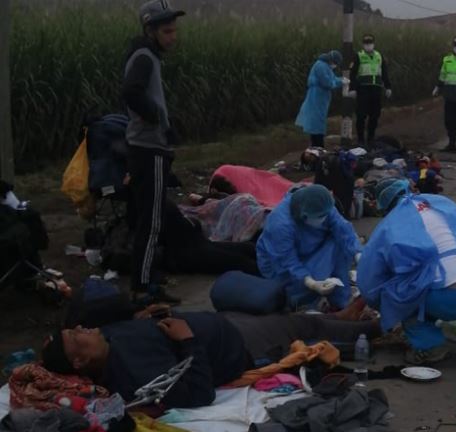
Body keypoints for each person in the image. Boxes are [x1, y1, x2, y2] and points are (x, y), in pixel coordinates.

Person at [41, 310, 381, 409]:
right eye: (76, 336)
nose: (84, 328)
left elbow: (142, 333)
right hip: (238, 347)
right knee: (306, 330)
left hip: (223, 326)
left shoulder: (107, 337)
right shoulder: (138, 373)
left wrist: (145, 317)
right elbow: (198, 393)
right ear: (80, 363)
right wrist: (188, 341)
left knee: (300, 320)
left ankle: (349, 318)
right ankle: (378, 328)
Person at [357, 179, 456, 365]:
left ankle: (430, 347)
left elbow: (369, 282)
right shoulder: (441, 203)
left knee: (402, 296)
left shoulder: (390, 224)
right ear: (408, 188)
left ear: (384, 205)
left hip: (447, 298)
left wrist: (383, 306)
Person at [122, 0, 185, 305]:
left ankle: (145, 280)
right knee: (152, 220)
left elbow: (143, 95)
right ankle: (143, 287)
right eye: (167, 31)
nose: (173, 36)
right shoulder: (145, 57)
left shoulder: (148, 55)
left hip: (148, 145)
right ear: (150, 30)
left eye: (174, 30)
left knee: (147, 217)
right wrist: (154, 118)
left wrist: (164, 123)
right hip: (149, 150)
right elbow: (131, 92)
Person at [256, 185, 362, 311]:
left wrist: (359, 255)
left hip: (310, 250)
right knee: (309, 284)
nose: (326, 219)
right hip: (280, 267)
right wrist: (310, 283)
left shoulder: (321, 204)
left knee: (340, 243)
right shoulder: (280, 224)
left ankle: (340, 301)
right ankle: (303, 303)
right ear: (304, 216)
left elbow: (343, 229)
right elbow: (287, 261)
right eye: (322, 217)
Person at [295, 50, 349, 148]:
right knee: (317, 124)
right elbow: (327, 82)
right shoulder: (321, 66)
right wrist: (340, 82)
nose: (335, 66)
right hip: (316, 97)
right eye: (335, 63)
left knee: (318, 122)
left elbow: (332, 78)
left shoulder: (326, 66)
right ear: (332, 60)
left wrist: (341, 79)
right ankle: (318, 147)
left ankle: (316, 146)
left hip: (320, 98)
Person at [350, 34, 392, 145]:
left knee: (375, 115)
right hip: (363, 88)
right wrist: (352, 88)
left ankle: (371, 138)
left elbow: (384, 72)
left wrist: (388, 87)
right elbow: (353, 74)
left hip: (376, 88)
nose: (368, 45)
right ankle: (360, 139)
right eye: (366, 43)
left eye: (370, 43)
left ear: (374, 44)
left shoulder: (379, 56)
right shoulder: (358, 56)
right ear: (363, 44)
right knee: (361, 115)